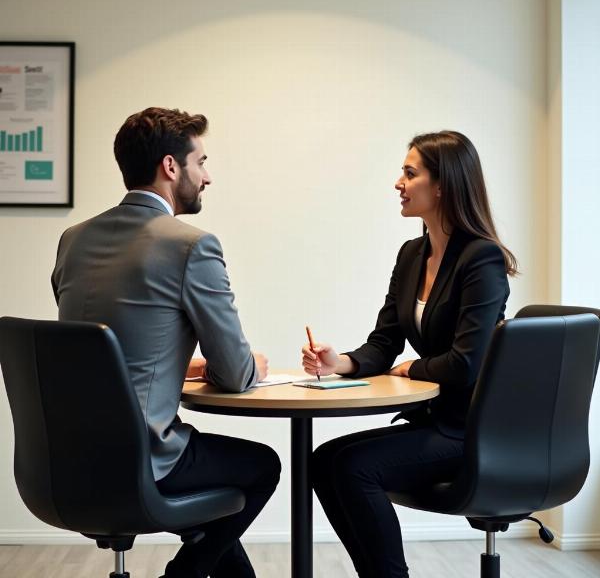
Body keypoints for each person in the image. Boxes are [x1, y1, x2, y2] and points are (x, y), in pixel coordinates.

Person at [52, 107, 281, 578]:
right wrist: (252, 363)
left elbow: (104, 343)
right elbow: (237, 377)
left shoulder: (73, 240)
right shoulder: (190, 246)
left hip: (66, 463)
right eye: (201, 162)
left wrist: (182, 363)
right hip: (145, 461)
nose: (208, 176)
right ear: (171, 167)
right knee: (263, 466)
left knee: (219, 544)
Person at [301, 131, 516, 578]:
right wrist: (338, 362)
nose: (398, 182)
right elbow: (384, 342)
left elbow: (466, 362)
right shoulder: (412, 254)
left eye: (409, 172)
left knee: (355, 469)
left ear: (442, 186)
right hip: (435, 421)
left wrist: (413, 367)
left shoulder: (482, 260)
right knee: (322, 462)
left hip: (471, 429)